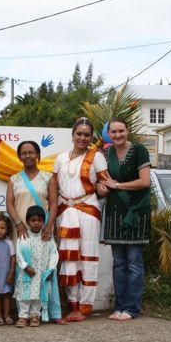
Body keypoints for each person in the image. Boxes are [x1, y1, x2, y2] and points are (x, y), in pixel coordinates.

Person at [52, 117, 109, 322]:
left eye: (87, 134)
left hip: (88, 210)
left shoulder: (96, 156)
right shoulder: (60, 158)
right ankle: (72, 305)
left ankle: (85, 307)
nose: (83, 138)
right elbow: (54, 186)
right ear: (73, 135)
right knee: (69, 259)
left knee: (88, 257)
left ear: (91, 136)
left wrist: (103, 188)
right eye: (79, 133)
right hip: (65, 211)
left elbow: (105, 181)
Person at [97, 117, 151, 321]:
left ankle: (132, 308)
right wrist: (101, 187)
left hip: (135, 213)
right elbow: (102, 182)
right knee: (118, 263)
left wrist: (117, 186)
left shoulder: (139, 150)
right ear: (108, 134)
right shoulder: (106, 153)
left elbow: (144, 181)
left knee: (134, 262)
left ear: (127, 131)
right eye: (114, 132)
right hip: (114, 212)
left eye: (121, 131)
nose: (118, 135)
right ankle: (119, 307)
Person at [13, 206, 63, 327]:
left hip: (41, 273)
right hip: (27, 273)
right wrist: (25, 267)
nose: (36, 223)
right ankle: (23, 316)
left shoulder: (47, 237)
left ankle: (35, 316)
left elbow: (53, 254)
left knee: (39, 295)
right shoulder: (23, 237)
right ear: (28, 222)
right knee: (24, 295)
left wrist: (51, 269)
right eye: (33, 220)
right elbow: (18, 254)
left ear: (43, 221)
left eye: (39, 220)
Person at [6, 141, 57, 242]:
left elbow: (54, 204)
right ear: (20, 157)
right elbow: (9, 205)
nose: (28, 156)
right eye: (24, 153)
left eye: (31, 152)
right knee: (22, 257)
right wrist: (19, 224)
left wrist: (49, 226)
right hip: (21, 231)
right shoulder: (13, 180)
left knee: (43, 257)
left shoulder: (48, 177)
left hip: (43, 229)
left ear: (37, 155)